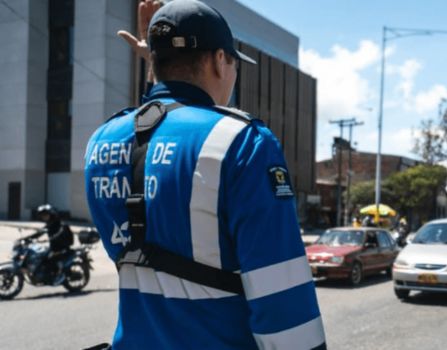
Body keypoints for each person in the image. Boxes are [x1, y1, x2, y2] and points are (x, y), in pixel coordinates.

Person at [84, 1, 325, 349]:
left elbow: (157, 129)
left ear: (156, 61)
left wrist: (157, 64)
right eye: (234, 63)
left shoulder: (102, 140)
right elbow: (282, 297)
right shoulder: (243, 142)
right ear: (218, 60)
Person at [28, 204, 74, 284]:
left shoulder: (61, 225)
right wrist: (28, 238)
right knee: (40, 257)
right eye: (42, 215)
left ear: (52, 214)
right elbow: (40, 232)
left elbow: (58, 234)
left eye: (45, 215)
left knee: (49, 261)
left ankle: (57, 276)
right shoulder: (50, 224)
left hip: (62, 249)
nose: (44, 217)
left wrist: (49, 239)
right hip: (53, 248)